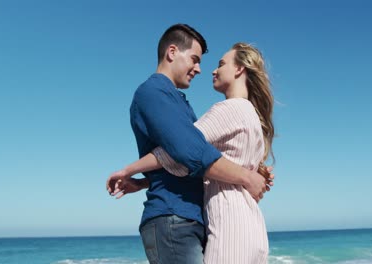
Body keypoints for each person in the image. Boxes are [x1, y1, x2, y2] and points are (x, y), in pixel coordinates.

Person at [106, 24, 273, 264]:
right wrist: (247, 177)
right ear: (172, 52)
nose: (200, 69)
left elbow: (187, 159)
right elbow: (188, 152)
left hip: (190, 217)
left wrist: (143, 180)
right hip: (173, 217)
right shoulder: (153, 92)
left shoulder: (181, 102)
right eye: (194, 60)